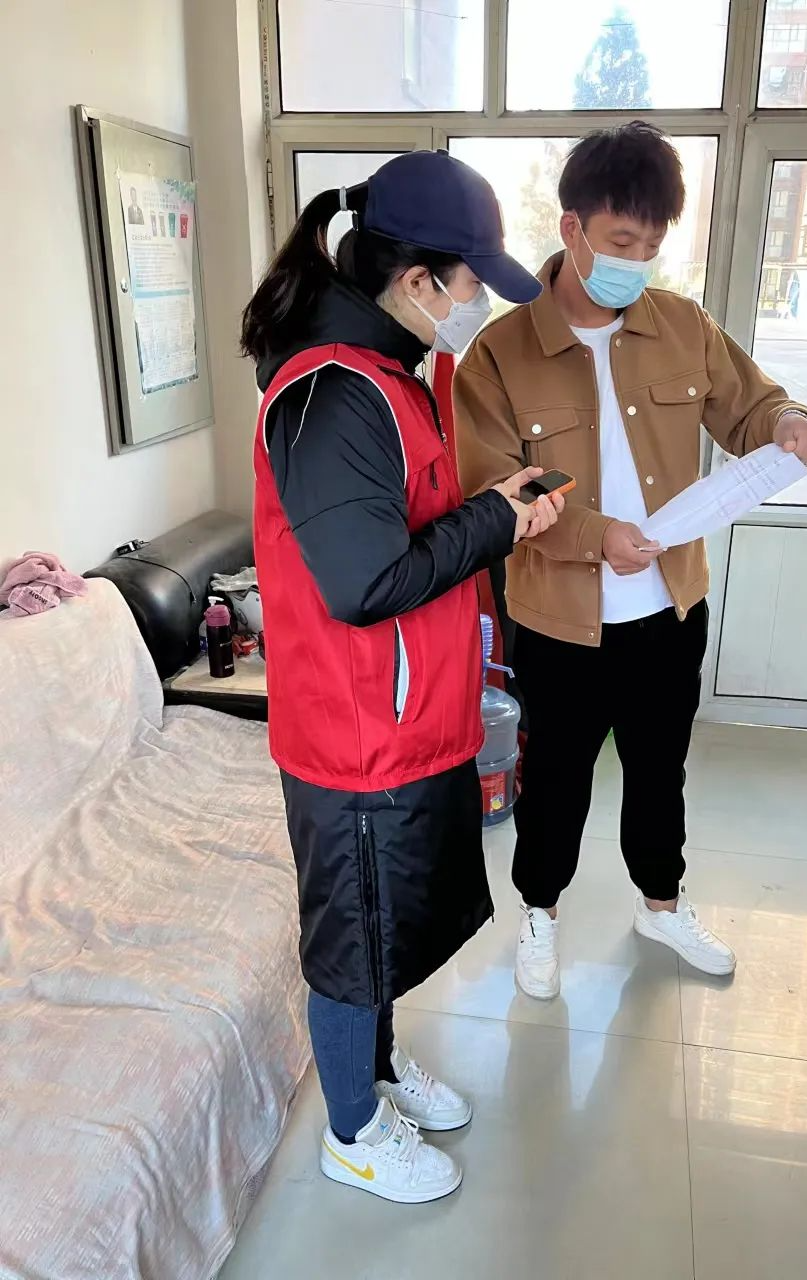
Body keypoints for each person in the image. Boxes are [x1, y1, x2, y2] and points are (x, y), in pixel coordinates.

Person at [241, 151, 564, 1204]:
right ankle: (351, 1130)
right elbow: (366, 582)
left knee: (386, 927)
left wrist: (495, 510)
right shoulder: (335, 392)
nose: (478, 303)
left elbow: (406, 526)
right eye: (471, 282)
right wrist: (495, 522)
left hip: (404, 719)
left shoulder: (392, 375)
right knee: (351, 941)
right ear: (419, 279)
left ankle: (376, 1074)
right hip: (354, 739)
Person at [454, 122, 807, 1000]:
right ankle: (539, 914)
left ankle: (662, 903)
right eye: (621, 242)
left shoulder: (683, 326)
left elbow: (751, 408)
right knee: (557, 781)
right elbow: (493, 491)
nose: (637, 262)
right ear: (572, 227)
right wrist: (595, 535)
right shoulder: (500, 353)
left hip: (669, 609)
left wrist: (789, 421)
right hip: (558, 620)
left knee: (661, 771)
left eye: (652, 246)